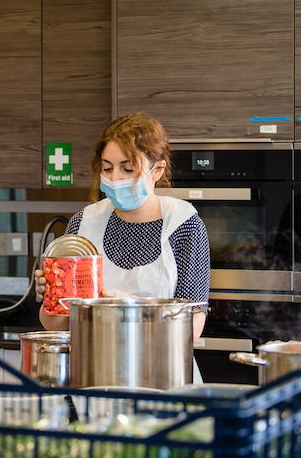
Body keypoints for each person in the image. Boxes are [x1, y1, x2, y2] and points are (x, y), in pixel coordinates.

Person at [36, 113, 211, 382]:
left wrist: (128, 311)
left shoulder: (184, 226)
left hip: (161, 377)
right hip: (93, 376)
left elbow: (191, 329)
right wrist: (53, 295)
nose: (115, 178)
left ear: (158, 170)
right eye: (107, 168)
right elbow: (56, 324)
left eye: (127, 169)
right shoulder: (83, 225)